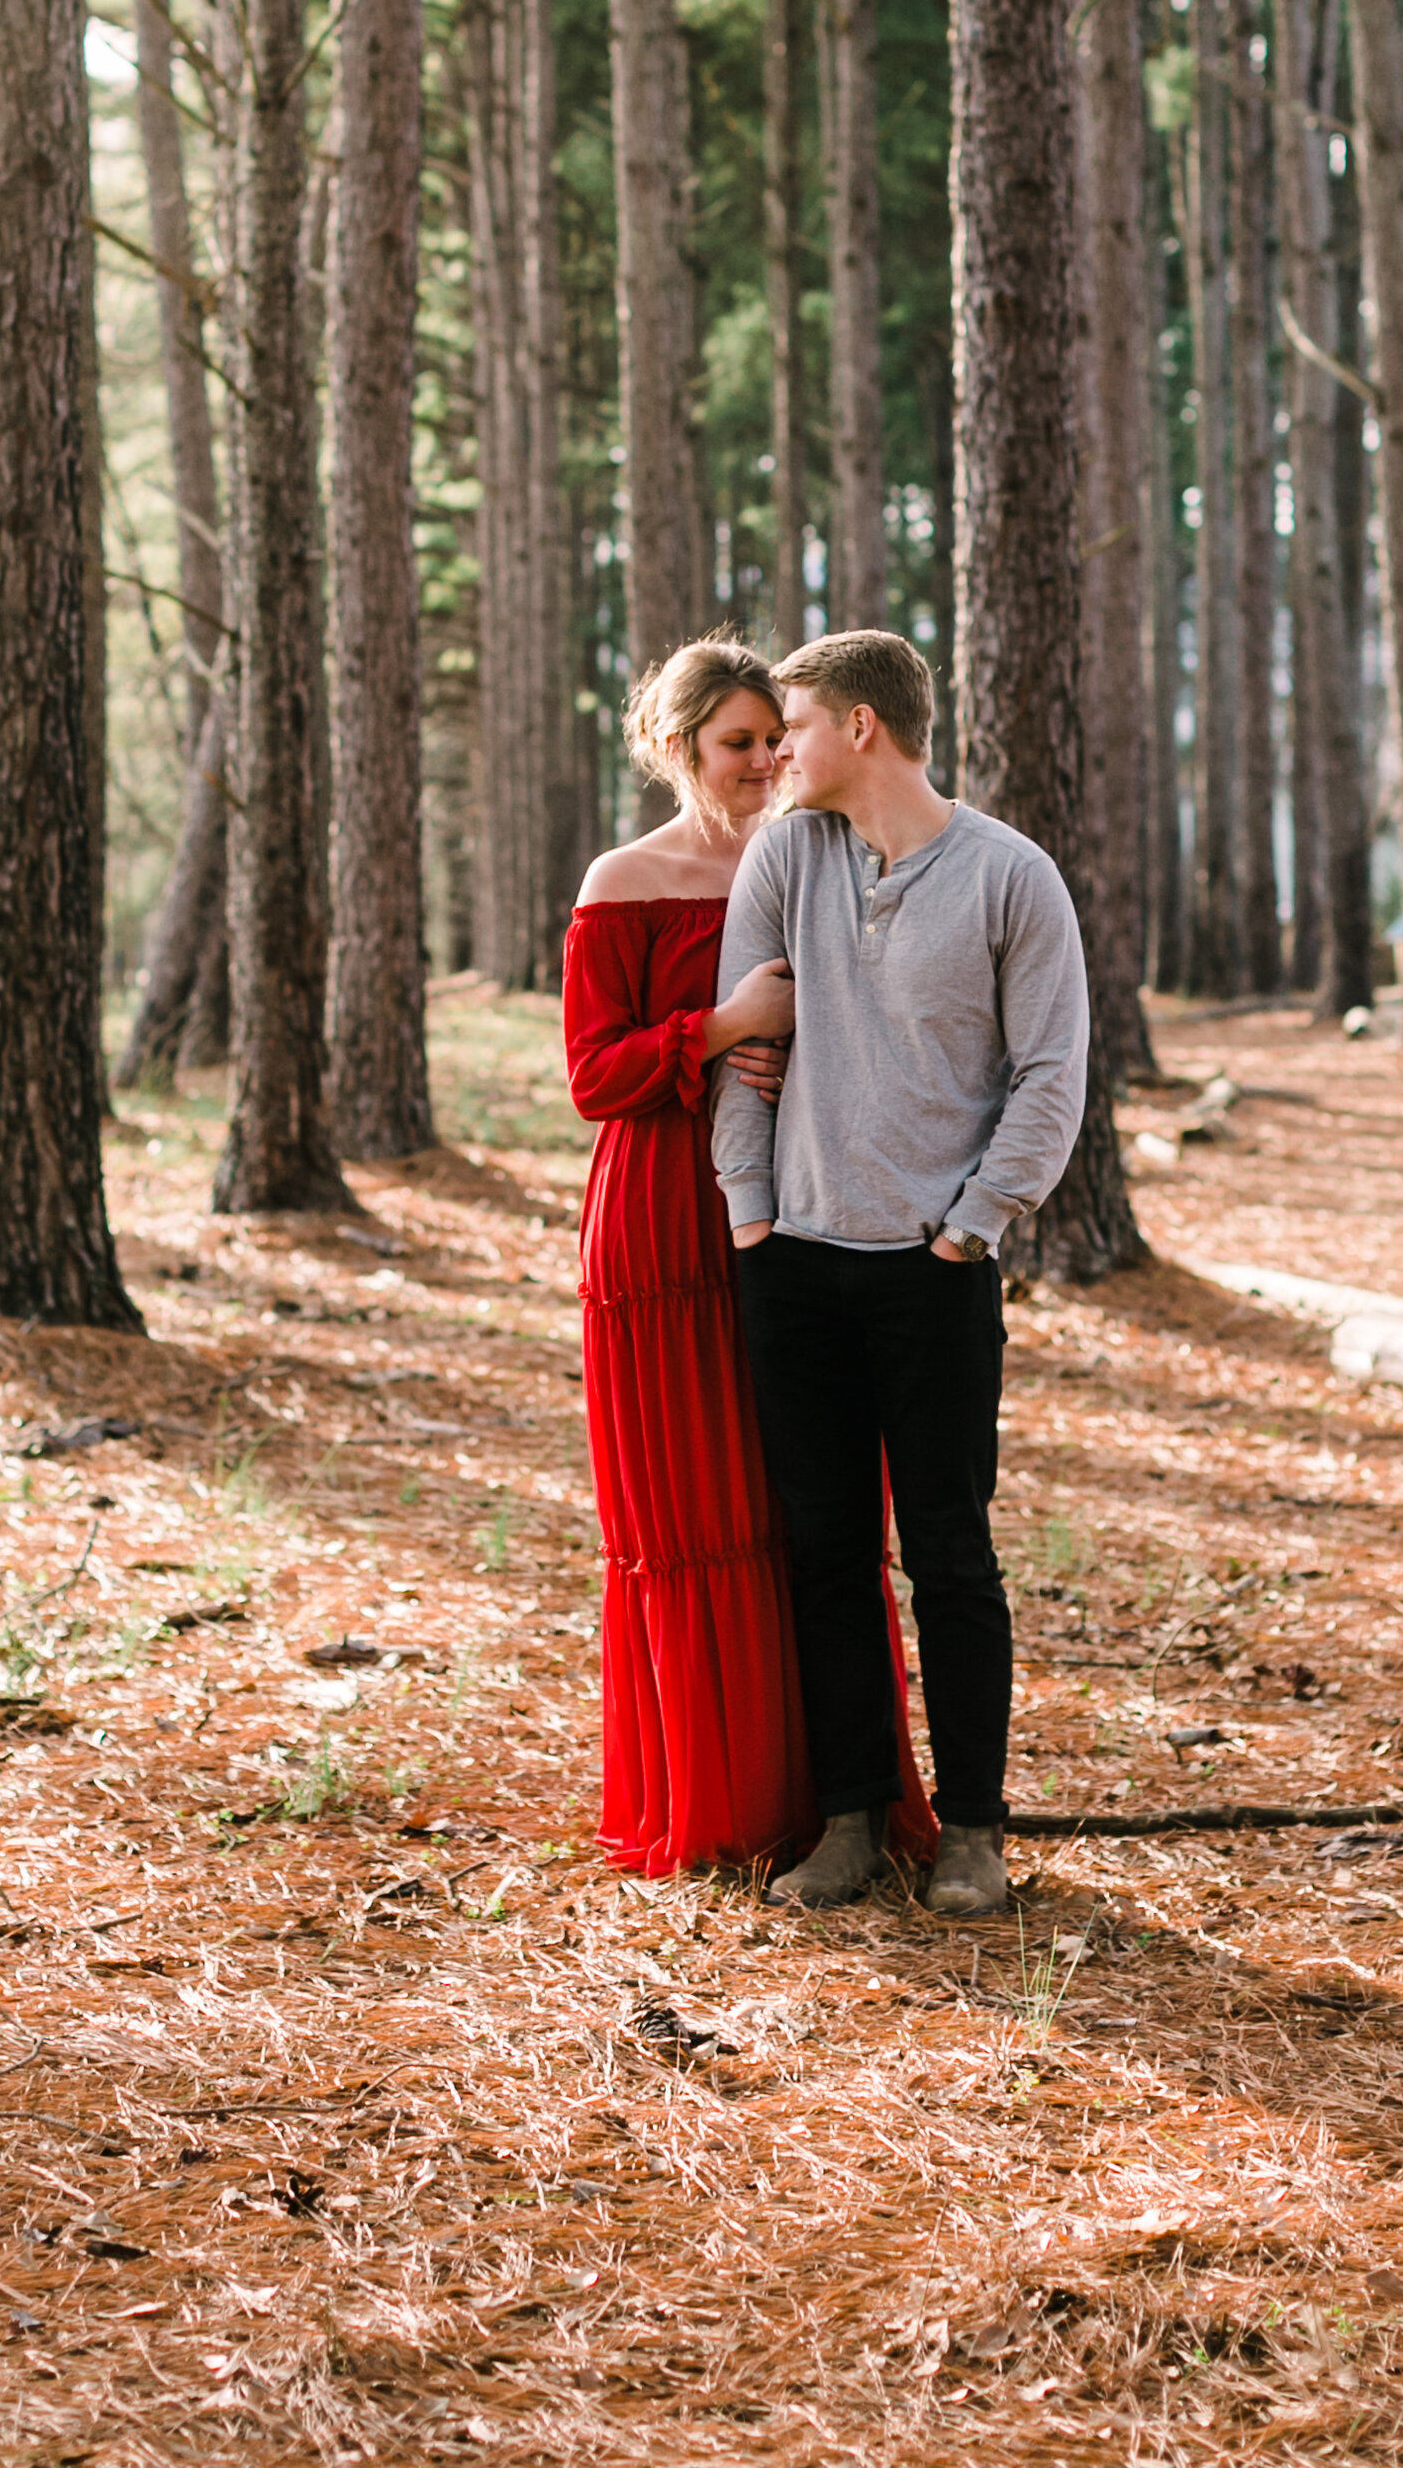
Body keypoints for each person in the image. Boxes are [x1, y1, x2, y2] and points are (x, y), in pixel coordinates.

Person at [713, 628, 1090, 1919]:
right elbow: (741, 1046)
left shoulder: (1009, 877)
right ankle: (850, 1817)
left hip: (933, 1271)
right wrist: (752, 1216)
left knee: (951, 1553)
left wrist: (972, 1223)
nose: (774, 757)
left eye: (794, 729)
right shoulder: (784, 853)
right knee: (825, 1554)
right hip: (795, 1266)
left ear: (862, 726)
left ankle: (975, 1827)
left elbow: (1051, 1071)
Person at [564, 636, 938, 1880]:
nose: (766, 762)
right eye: (737, 744)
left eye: (776, 738)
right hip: (662, 1223)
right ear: (677, 752)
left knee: (811, 1508)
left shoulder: (826, 857)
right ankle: (718, 1803)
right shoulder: (624, 880)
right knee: (689, 1511)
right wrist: (722, 1028)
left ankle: (842, 1801)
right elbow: (593, 1075)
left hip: (807, 1205)